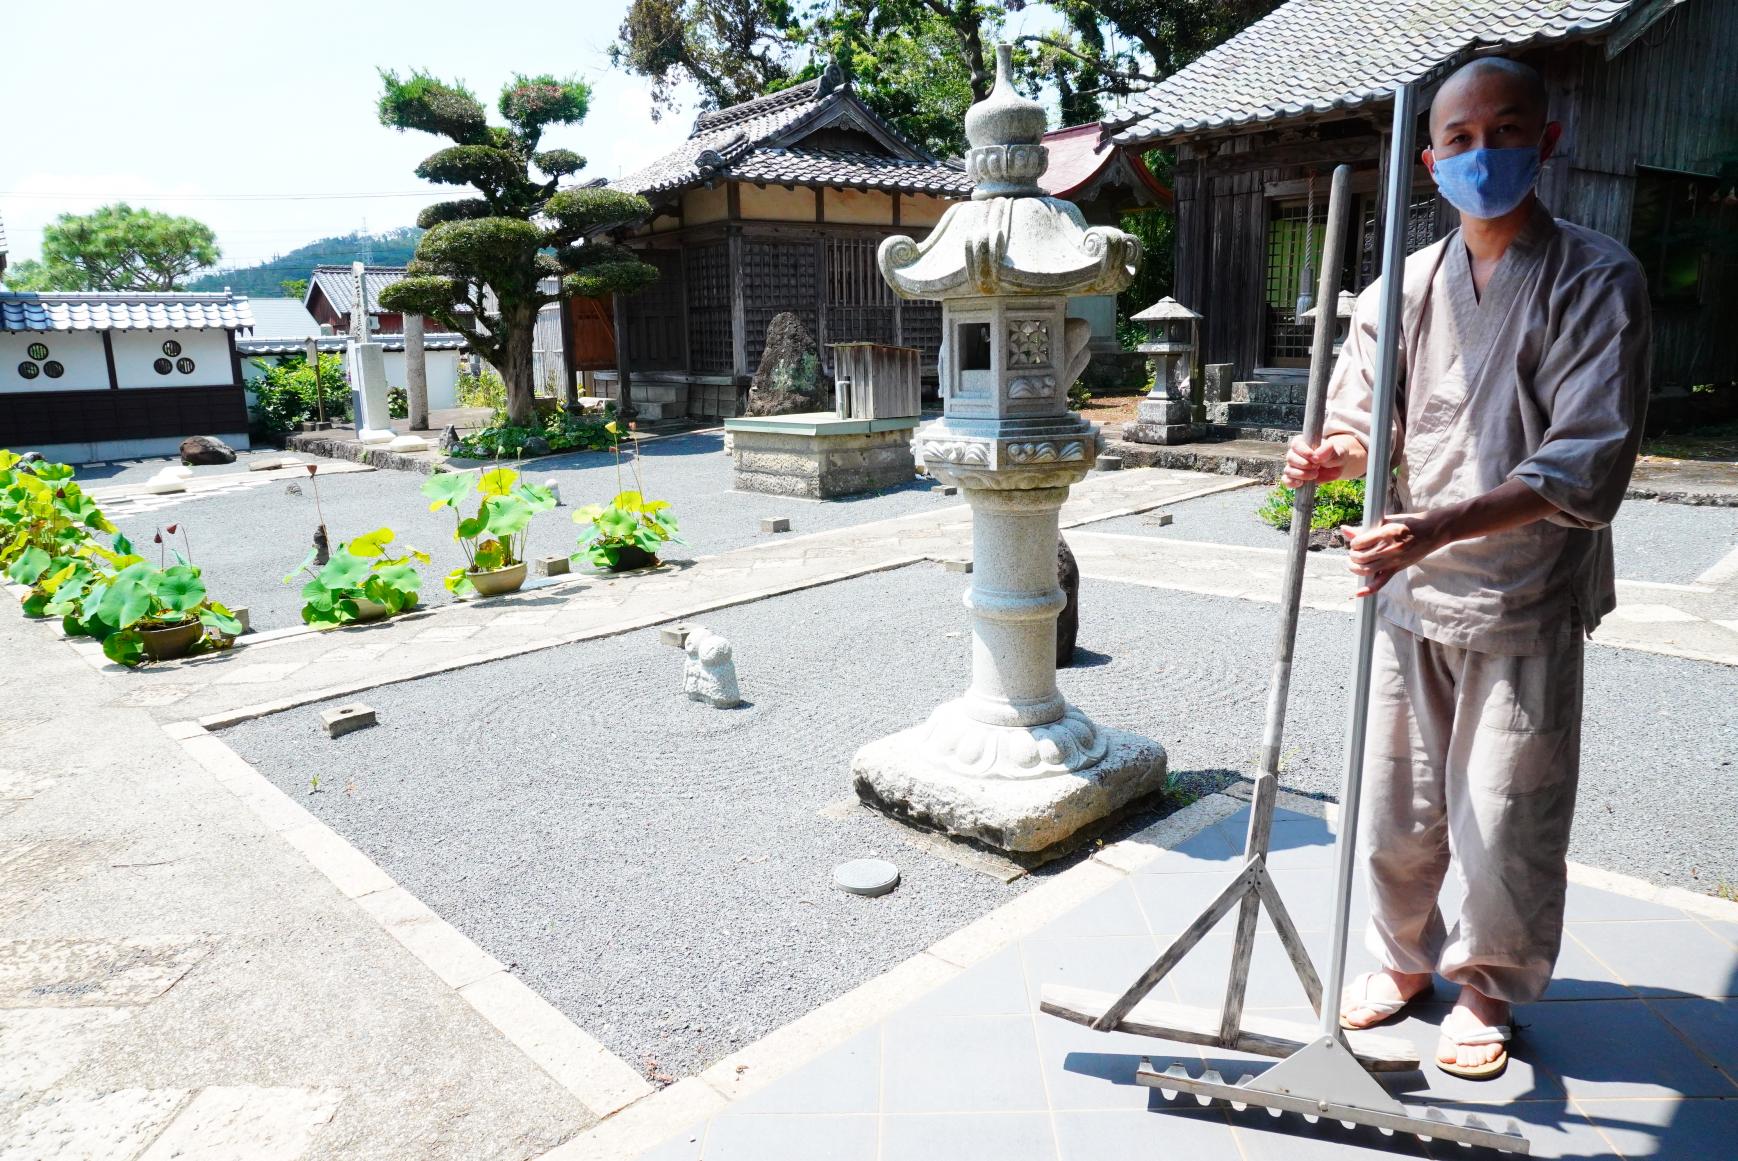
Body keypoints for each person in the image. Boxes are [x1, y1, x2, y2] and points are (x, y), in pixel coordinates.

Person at [1284, 56, 1651, 1080]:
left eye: (1503, 131)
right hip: (1412, 581)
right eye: (1457, 138)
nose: (1479, 153)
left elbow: (1586, 454)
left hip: (1526, 587)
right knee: (1395, 796)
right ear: (1430, 157)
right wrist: (1334, 454)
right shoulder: (1399, 285)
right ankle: (1400, 960)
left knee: (1505, 809)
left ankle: (1484, 980)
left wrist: (1436, 525)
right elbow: (1366, 417)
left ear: (1547, 138)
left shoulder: (1596, 277)